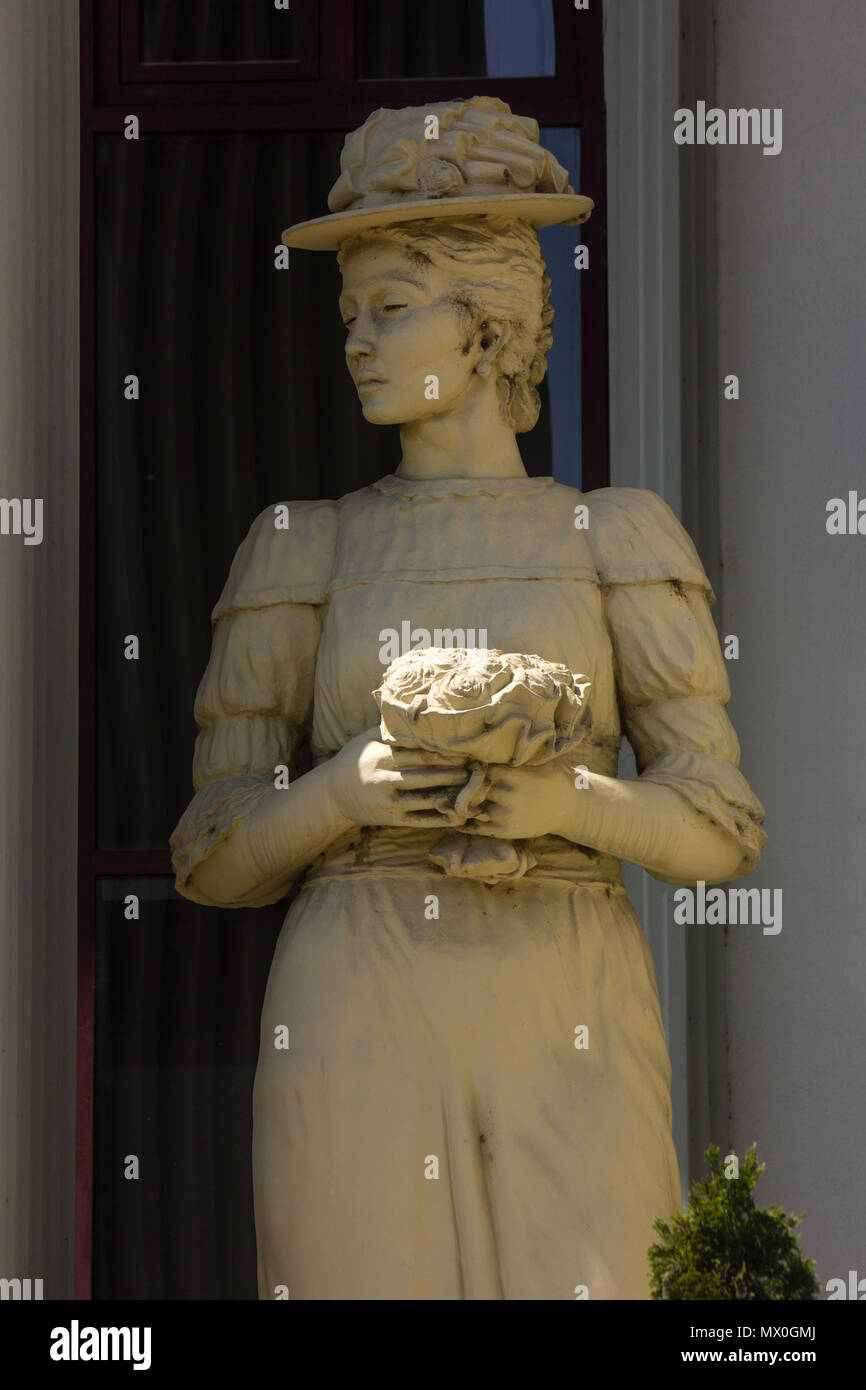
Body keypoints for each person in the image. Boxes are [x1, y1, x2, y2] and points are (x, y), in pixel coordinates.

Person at [170, 97, 766, 1300]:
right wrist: (344, 792)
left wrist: (560, 798)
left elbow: (716, 829)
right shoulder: (302, 547)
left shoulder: (613, 537)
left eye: (391, 310)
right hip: (355, 994)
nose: (356, 342)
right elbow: (210, 857)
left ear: (489, 326)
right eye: (350, 316)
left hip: (565, 997)